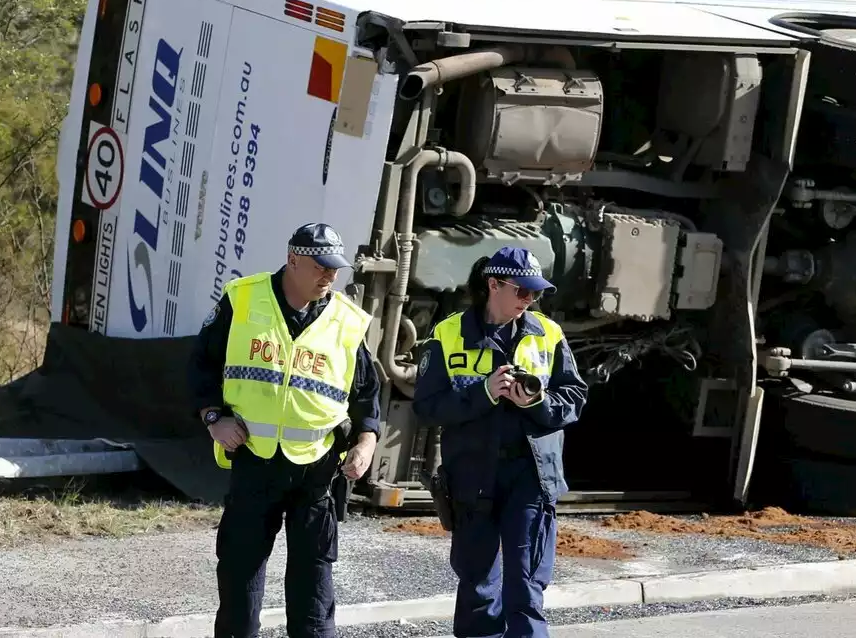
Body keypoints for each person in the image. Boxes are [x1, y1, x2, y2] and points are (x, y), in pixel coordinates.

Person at [187, 222, 381, 638]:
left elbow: (367, 395)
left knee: (313, 584)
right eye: (320, 266)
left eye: (335, 269)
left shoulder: (348, 320)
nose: (330, 276)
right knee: (240, 575)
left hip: (317, 471)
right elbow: (200, 365)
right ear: (293, 260)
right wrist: (213, 418)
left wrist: (365, 444)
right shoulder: (243, 299)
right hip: (255, 461)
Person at [413, 246, 589, 638]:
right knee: (477, 586)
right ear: (493, 285)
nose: (529, 301)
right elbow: (426, 407)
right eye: (522, 292)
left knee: (526, 588)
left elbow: (574, 398)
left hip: (530, 474)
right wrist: (485, 393)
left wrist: (538, 401)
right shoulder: (448, 334)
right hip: (473, 476)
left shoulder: (548, 333)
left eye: (536, 294)